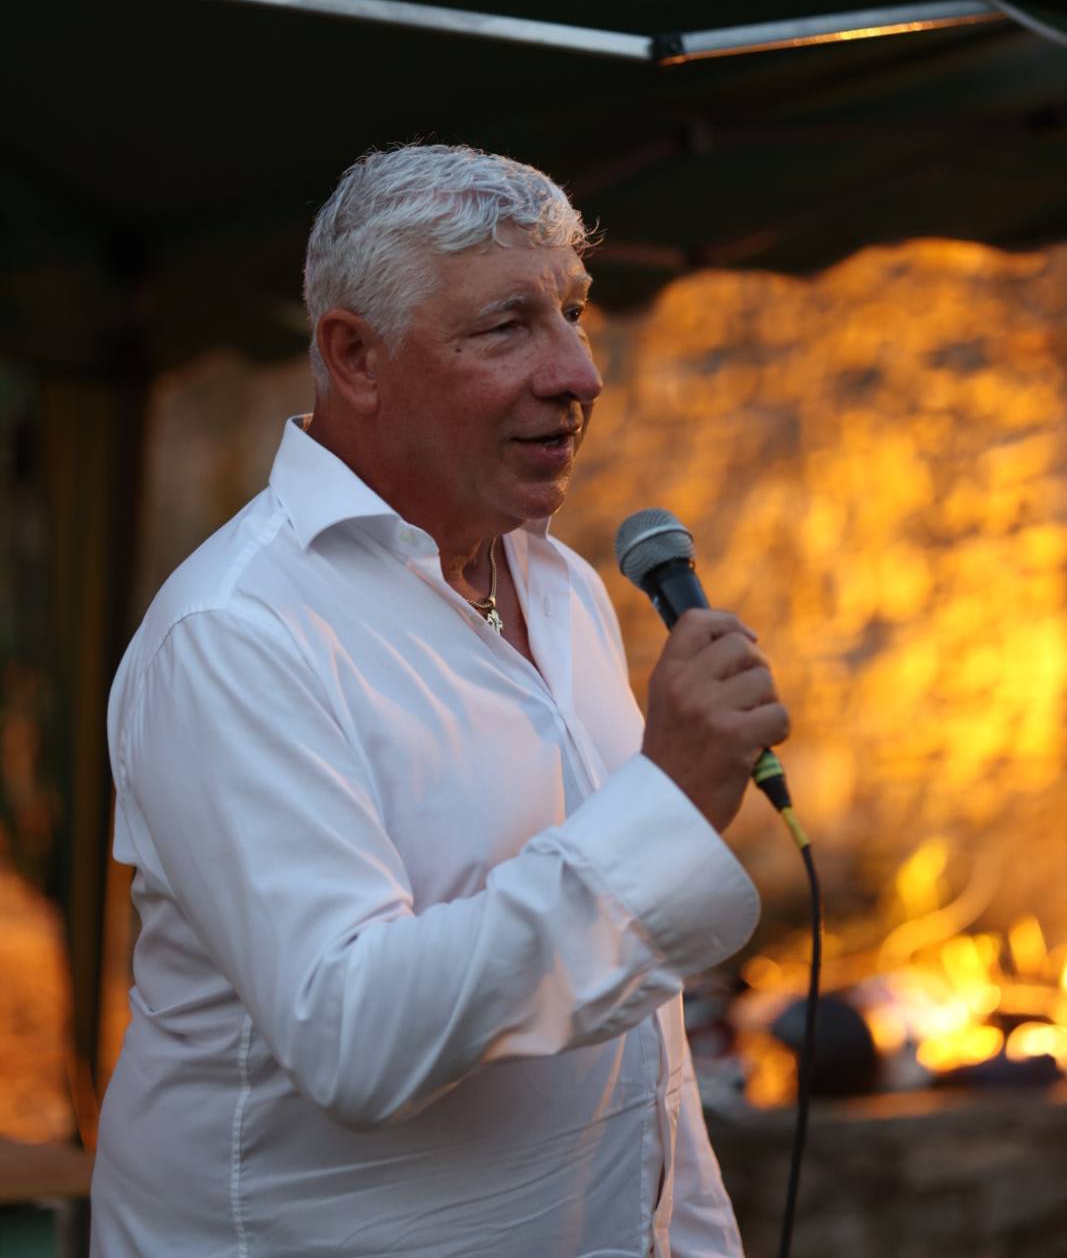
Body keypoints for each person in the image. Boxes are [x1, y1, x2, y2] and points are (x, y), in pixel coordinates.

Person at [91, 144, 789, 1257]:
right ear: (354, 356)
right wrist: (664, 801)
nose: (577, 372)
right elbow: (354, 1036)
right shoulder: (234, 632)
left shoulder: (562, 586)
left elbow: (639, 1049)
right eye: (507, 326)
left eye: (571, 313)